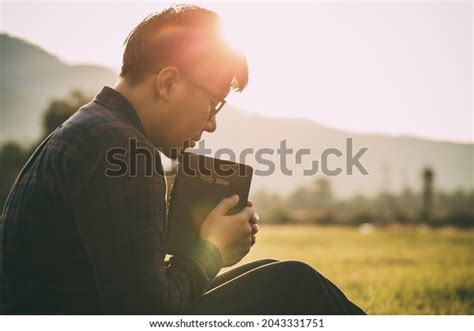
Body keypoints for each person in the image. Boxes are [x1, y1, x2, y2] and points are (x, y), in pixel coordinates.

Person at [0, 4, 365, 315]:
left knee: (273, 270)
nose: (211, 123)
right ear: (168, 83)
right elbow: (147, 313)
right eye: (213, 104)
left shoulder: (92, 128)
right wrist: (211, 251)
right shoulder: (124, 150)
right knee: (292, 283)